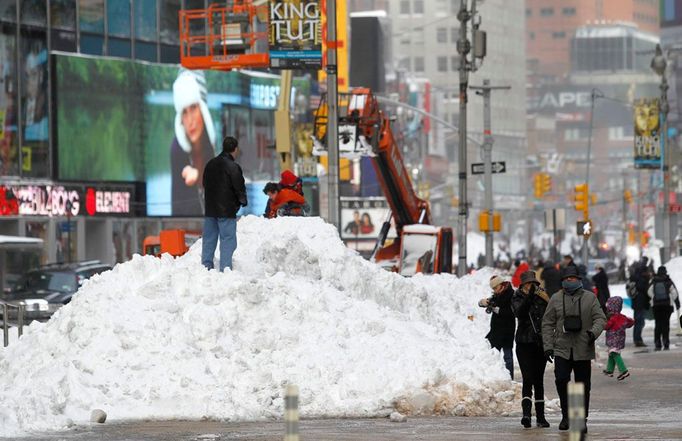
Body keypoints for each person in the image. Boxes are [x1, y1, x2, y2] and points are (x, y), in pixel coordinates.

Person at [541, 265, 606, 433]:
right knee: (561, 380)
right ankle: (566, 415)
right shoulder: (555, 298)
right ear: (563, 281)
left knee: (582, 385)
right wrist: (548, 346)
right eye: (567, 279)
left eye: (573, 279)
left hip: (583, 347)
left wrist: (592, 334)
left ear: (579, 280)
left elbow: (600, 318)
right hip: (562, 347)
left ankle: (579, 418)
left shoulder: (590, 298)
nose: (570, 281)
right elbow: (547, 323)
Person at [171, 69, 216, 216]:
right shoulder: (176, 149)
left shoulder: (217, 148)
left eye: (193, 108)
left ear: (203, 110)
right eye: (184, 112)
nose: (190, 120)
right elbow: (178, 212)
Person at [201, 136, 247, 271]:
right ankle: (225, 268)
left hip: (210, 209)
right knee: (227, 239)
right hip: (226, 210)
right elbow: (239, 187)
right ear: (235, 149)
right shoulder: (233, 167)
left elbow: (204, 184)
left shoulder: (210, 164)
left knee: (209, 238)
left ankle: (206, 266)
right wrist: (242, 201)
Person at [512, 270, 551, 428]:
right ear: (523, 285)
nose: (531, 287)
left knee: (539, 380)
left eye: (533, 284)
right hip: (523, 343)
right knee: (527, 379)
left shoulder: (542, 296)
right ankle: (526, 415)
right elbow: (519, 312)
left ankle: (541, 417)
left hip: (539, 344)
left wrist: (546, 300)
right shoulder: (517, 297)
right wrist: (529, 297)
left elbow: (549, 316)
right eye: (528, 284)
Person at [478, 275, 516, 379]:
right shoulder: (496, 295)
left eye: (495, 287)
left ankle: (509, 378)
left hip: (508, 330)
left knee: (508, 356)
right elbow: (482, 303)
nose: (494, 290)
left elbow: (512, 312)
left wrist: (497, 309)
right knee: (494, 356)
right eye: (493, 289)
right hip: (496, 330)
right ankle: (496, 377)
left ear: (501, 285)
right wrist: (483, 302)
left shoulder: (512, 294)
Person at [647, 266, 680, 351]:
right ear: (665, 271)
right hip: (667, 306)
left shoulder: (654, 281)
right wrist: (677, 303)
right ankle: (666, 342)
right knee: (666, 324)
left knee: (658, 324)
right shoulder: (668, 281)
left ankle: (657, 343)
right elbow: (674, 293)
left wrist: (654, 297)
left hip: (656, 306)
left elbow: (649, 291)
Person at [603, 296, 634, 380]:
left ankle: (624, 371)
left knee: (614, 354)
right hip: (620, 340)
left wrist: (602, 323)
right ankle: (609, 370)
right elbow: (630, 322)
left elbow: (606, 326)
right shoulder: (622, 317)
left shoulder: (612, 318)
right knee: (612, 353)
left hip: (613, 340)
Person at [631, 258, 652, 347]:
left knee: (638, 321)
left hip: (636, 302)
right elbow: (643, 289)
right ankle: (638, 340)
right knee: (640, 322)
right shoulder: (641, 278)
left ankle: (637, 339)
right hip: (640, 302)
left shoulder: (636, 275)